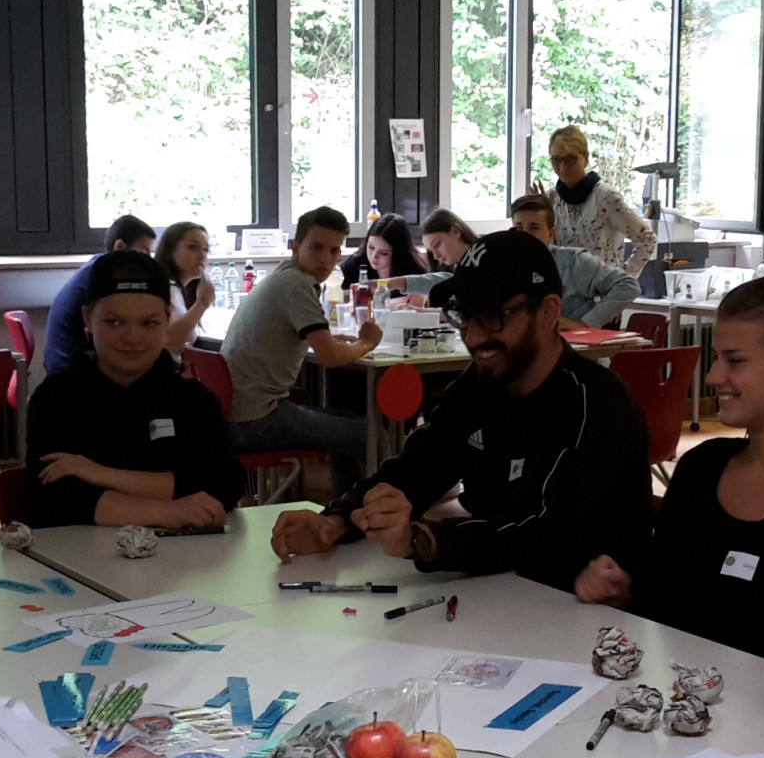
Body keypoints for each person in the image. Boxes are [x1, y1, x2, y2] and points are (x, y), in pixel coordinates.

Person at [270, 228, 652, 593]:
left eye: (493, 317)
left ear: (548, 311)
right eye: (465, 316)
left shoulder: (594, 403)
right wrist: (334, 522)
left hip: (586, 611)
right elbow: (417, 469)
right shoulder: (482, 384)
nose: (473, 336)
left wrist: (421, 540)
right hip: (500, 593)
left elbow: (535, 528)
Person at [575, 262, 764, 656]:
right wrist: (622, 590)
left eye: (735, 361)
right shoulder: (701, 468)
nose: (713, 376)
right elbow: (662, 598)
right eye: (717, 358)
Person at [20, 251, 243, 531]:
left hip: (184, 556)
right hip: (78, 553)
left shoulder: (193, 400)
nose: (133, 338)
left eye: (149, 323)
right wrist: (169, 511)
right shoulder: (56, 399)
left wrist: (100, 474)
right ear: (88, 319)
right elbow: (53, 498)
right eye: (114, 322)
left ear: (167, 320)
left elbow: (225, 484)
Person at [221, 206, 384, 496]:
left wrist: (328, 339)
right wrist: (366, 343)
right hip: (256, 420)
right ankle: (381, 510)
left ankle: (350, 505)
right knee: (373, 435)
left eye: (334, 251)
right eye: (316, 248)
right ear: (296, 247)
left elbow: (299, 335)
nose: (326, 259)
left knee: (350, 421)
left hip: (238, 414)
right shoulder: (299, 285)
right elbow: (330, 357)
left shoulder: (283, 275)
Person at [506, 194, 641, 329]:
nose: (525, 234)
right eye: (519, 228)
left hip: (567, 339)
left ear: (550, 234)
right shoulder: (505, 264)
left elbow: (628, 286)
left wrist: (585, 323)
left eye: (534, 227)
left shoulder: (573, 261)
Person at [44, 214, 156, 376]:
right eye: (144, 253)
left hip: (65, 362)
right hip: (69, 371)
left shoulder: (96, 266)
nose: (148, 261)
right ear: (119, 247)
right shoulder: (103, 278)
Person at [536, 123, 657, 270]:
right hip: (566, 284)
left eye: (570, 159)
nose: (563, 167)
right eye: (556, 160)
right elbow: (550, 251)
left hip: (603, 284)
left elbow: (647, 240)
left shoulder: (605, 197)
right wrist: (540, 219)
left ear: (585, 159)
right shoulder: (552, 199)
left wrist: (623, 279)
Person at [154, 220, 217, 355]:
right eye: (193, 247)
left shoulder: (178, 290)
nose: (202, 256)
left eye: (205, 250)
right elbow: (169, 341)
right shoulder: (167, 289)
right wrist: (203, 302)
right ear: (169, 252)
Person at [340, 213, 431, 292]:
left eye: (383, 253)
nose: (374, 256)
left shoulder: (414, 271)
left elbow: (416, 301)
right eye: (371, 247)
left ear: (398, 253)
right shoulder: (355, 264)